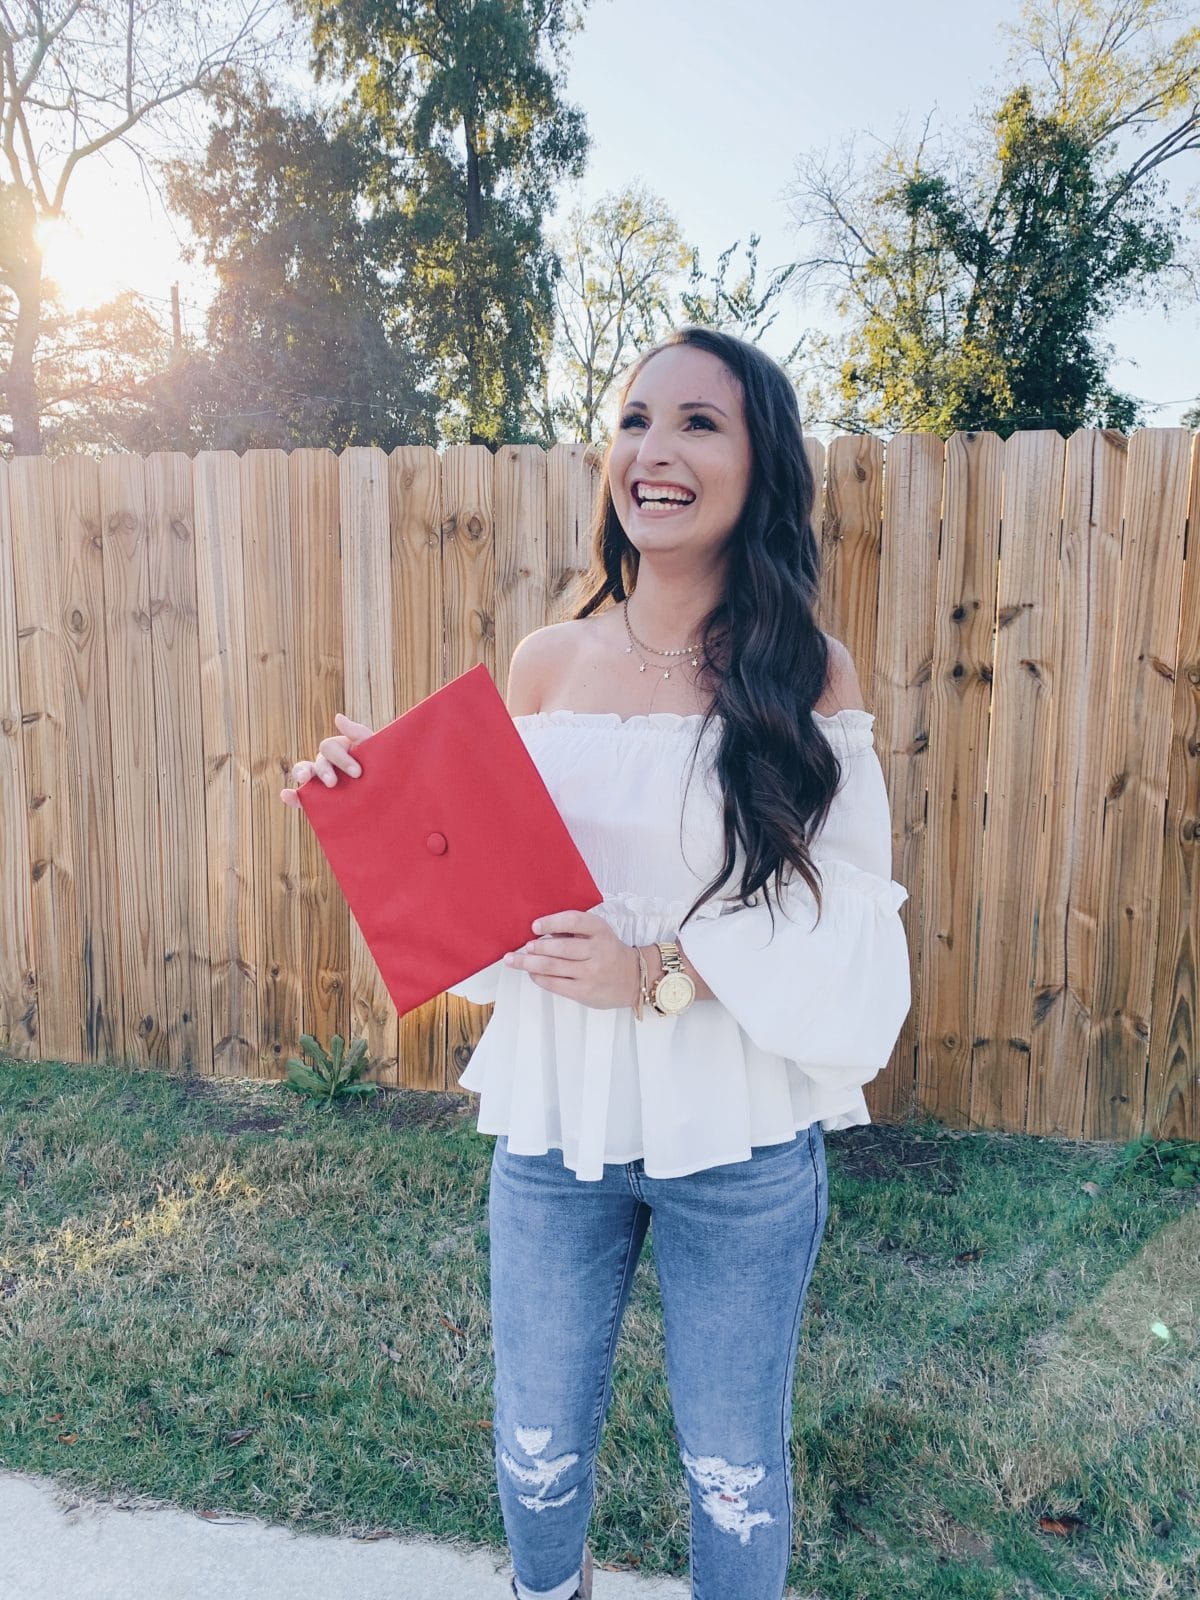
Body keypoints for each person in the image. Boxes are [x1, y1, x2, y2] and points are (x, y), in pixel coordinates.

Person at [281, 327, 911, 1600]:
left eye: (698, 422)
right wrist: (380, 799)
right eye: (634, 420)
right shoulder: (547, 662)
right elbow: (491, 893)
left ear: (759, 465)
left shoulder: (805, 674)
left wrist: (660, 970)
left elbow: (849, 922)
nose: (654, 450)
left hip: (735, 1140)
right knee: (537, 1447)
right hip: (556, 1125)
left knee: (733, 1466)